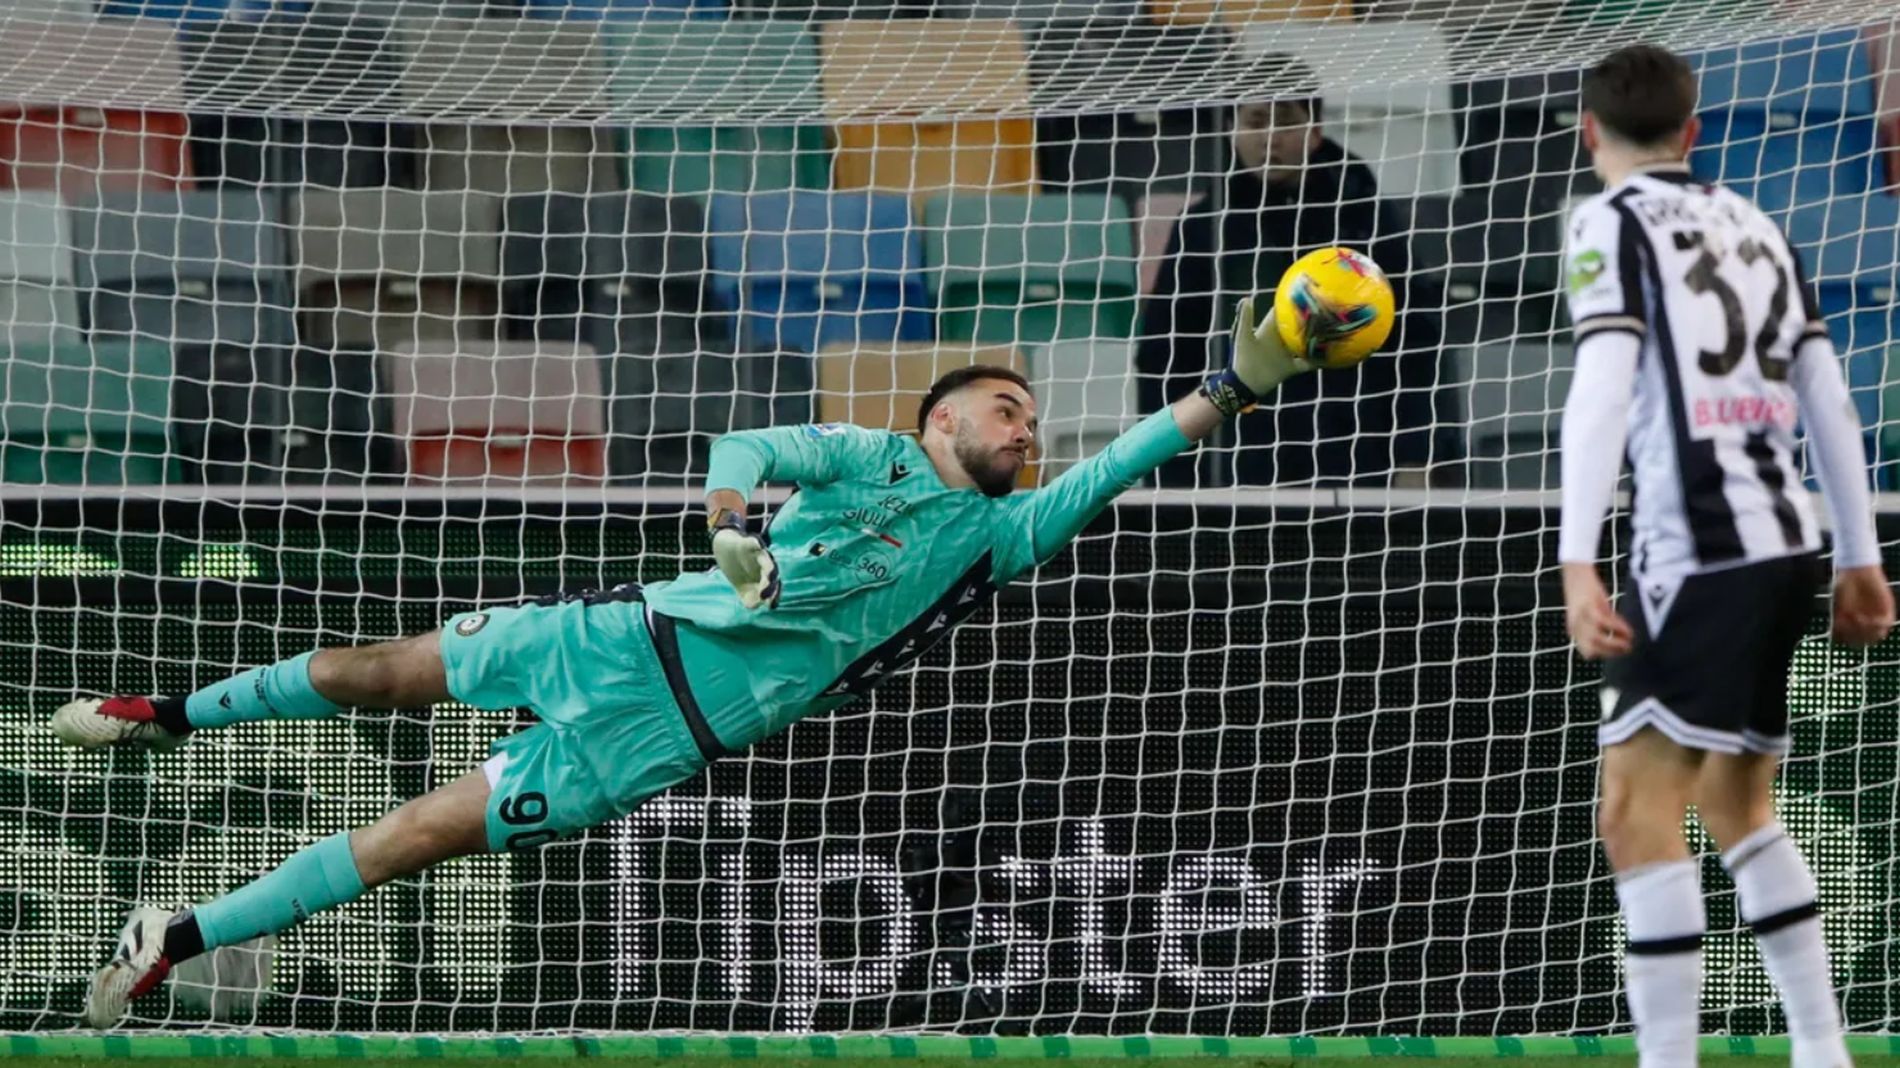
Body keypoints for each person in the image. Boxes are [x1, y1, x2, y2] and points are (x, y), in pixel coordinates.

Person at [52, 299, 1320, 1029]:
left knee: (409, 839)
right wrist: (728, 526)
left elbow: (1135, 452)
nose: (1028, 432)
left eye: (1033, 421)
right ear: (943, 417)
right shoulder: (870, 455)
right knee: (372, 671)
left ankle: (176, 935)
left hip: (660, 737)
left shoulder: (1003, 538)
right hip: (621, 634)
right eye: (1007, 410)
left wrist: (1242, 378)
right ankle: (171, 712)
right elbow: (745, 445)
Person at [1558, 44, 1894, 1068]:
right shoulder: (1758, 227)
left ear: (1588, 132)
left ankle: (1668, 1059)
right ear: (1693, 131)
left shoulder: (1606, 223)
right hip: (1787, 541)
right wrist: (1859, 554)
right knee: (1733, 802)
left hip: (1698, 545)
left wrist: (1576, 558)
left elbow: (1601, 385)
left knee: (1635, 809)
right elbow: (1828, 397)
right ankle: (1822, 1050)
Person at [1135, 56, 1426, 486]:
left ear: (1315, 131)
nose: (1270, 137)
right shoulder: (1204, 225)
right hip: (1238, 458)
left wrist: (1416, 456)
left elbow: (1417, 339)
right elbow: (1166, 351)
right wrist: (1167, 466)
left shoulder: (1365, 216)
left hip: (1354, 449)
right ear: (1233, 129)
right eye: (1256, 121)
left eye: (1286, 122)